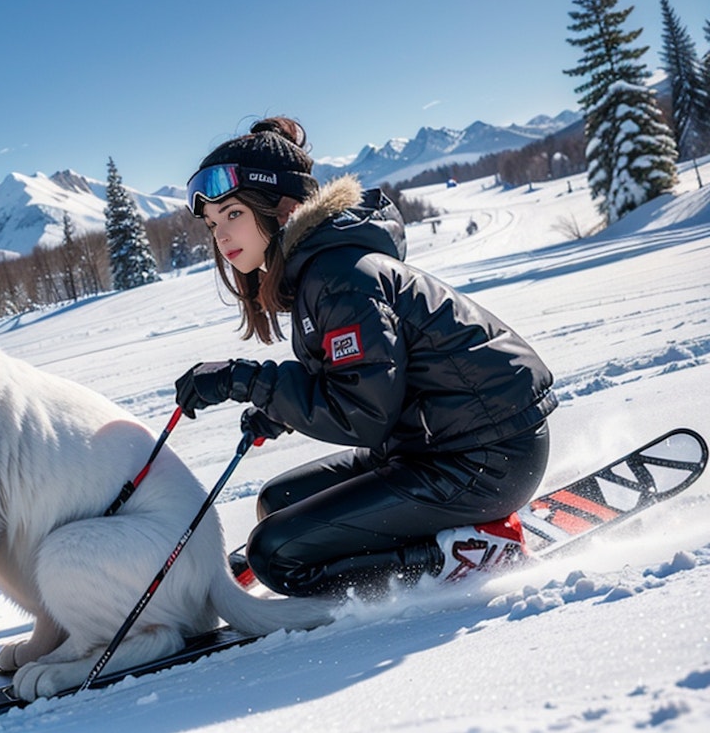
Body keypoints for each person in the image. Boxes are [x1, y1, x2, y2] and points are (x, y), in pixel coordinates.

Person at [174, 116, 558, 597]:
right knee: (277, 502)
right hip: (429, 446)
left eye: (233, 214)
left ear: (284, 206)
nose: (221, 236)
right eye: (212, 223)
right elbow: (352, 376)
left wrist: (247, 381)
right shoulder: (318, 268)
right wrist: (276, 408)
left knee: (278, 555)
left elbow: (363, 415)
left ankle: (469, 550)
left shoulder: (339, 276)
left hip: (487, 458)